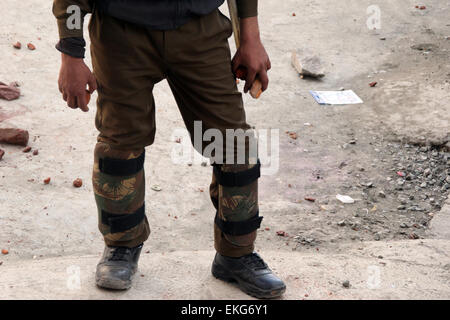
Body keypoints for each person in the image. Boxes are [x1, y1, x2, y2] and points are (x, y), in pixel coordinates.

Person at [53, 0, 286, 299]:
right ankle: (121, 247)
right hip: (121, 34)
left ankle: (236, 254)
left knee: (233, 145)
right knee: (120, 146)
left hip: (199, 31)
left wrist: (250, 38)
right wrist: (71, 55)